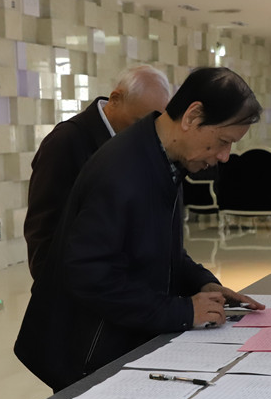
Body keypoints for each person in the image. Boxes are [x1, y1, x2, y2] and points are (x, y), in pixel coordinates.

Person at [14, 67, 264, 392]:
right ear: (192, 116)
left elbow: (160, 248)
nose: (225, 156)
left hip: (126, 337)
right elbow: (89, 275)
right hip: (89, 356)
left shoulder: (164, 158)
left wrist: (203, 283)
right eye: (223, 141)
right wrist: (182, 310)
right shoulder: (122, 168)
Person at [24, 65, 172, 280]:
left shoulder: (136, 141)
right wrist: (52, 285)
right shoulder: (67, 140)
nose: (145, 133)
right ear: (115, 99)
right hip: (77, 287)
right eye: (138, 122)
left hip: (120, 282)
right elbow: (44, 229)